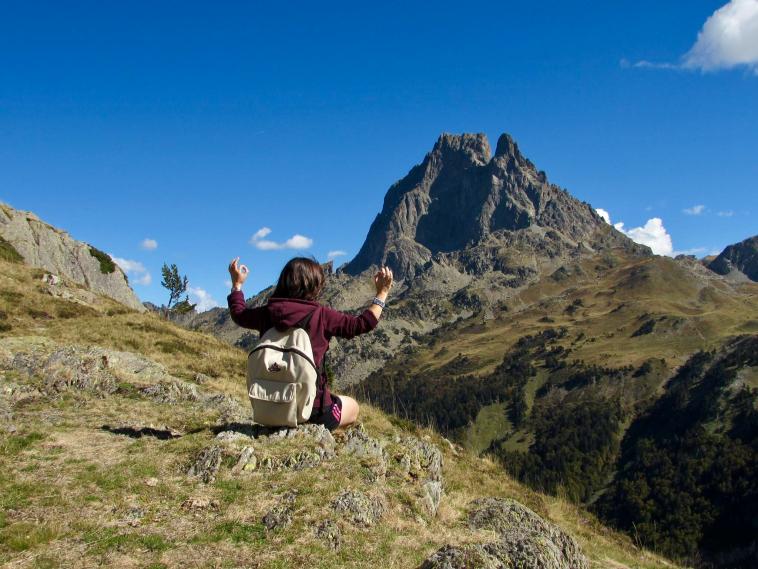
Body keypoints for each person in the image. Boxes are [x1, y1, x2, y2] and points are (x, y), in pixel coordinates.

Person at [227, 256, 393, 430]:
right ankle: (324, 434)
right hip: (313, 411)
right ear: (315, 285)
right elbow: (361, 324)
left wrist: (237, 284)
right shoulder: (321, 315)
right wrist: (382, 293)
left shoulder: (267, 312)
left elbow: (239, 313)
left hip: (269, 405)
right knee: (353, 407)